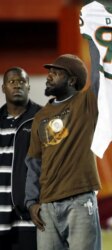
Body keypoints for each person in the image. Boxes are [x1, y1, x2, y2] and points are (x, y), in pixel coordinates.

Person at [24, 54, 102, 250]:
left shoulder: (86, 103)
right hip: (47, 206)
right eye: (49, 72)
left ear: (72, 80)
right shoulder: (40, 116)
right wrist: (31, 202)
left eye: (56, 73)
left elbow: (98, 78)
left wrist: (93, 39)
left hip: (80, 201)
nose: (49, 76)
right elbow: (33, 161)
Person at [0, 67, 41, 249]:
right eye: (12, 82)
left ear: (29, 87)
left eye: (22, 82)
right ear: (3, 88)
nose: (17, 85)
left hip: (29, 219)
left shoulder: (42, 118)